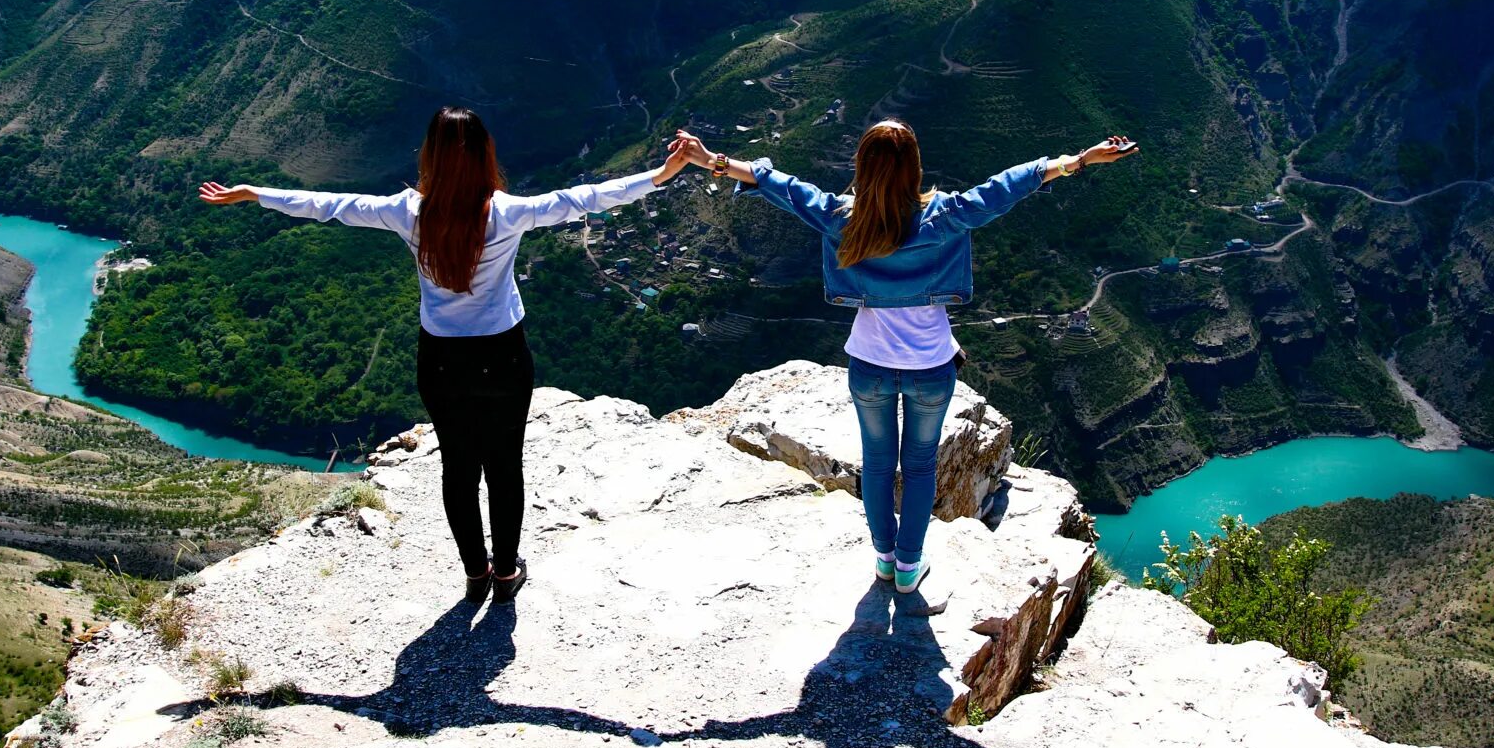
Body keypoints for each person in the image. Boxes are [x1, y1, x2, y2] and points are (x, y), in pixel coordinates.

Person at [200, 107, 691, 604]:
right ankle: (505, 574)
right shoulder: (508, 212)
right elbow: (585, 198)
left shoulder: (407, 212)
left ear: (429, 155)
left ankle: (475, 573)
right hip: (502, 354)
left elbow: (330, 204)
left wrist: (255, 194)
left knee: (458, 466)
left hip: (440, 359)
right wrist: (661, 174)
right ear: (485, 155)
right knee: (504, 466)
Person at [670, 121, 1137, 594]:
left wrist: (712, 160)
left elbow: (783, 186)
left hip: (869, 367)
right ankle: (910, 568)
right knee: (918, 468)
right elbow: (1006, 186)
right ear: (914, 168)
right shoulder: (945, 217)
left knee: (876, 464)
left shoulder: (842, 218)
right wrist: (1079, 160)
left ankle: (885, 560)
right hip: (931, 369)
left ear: (862, 167)